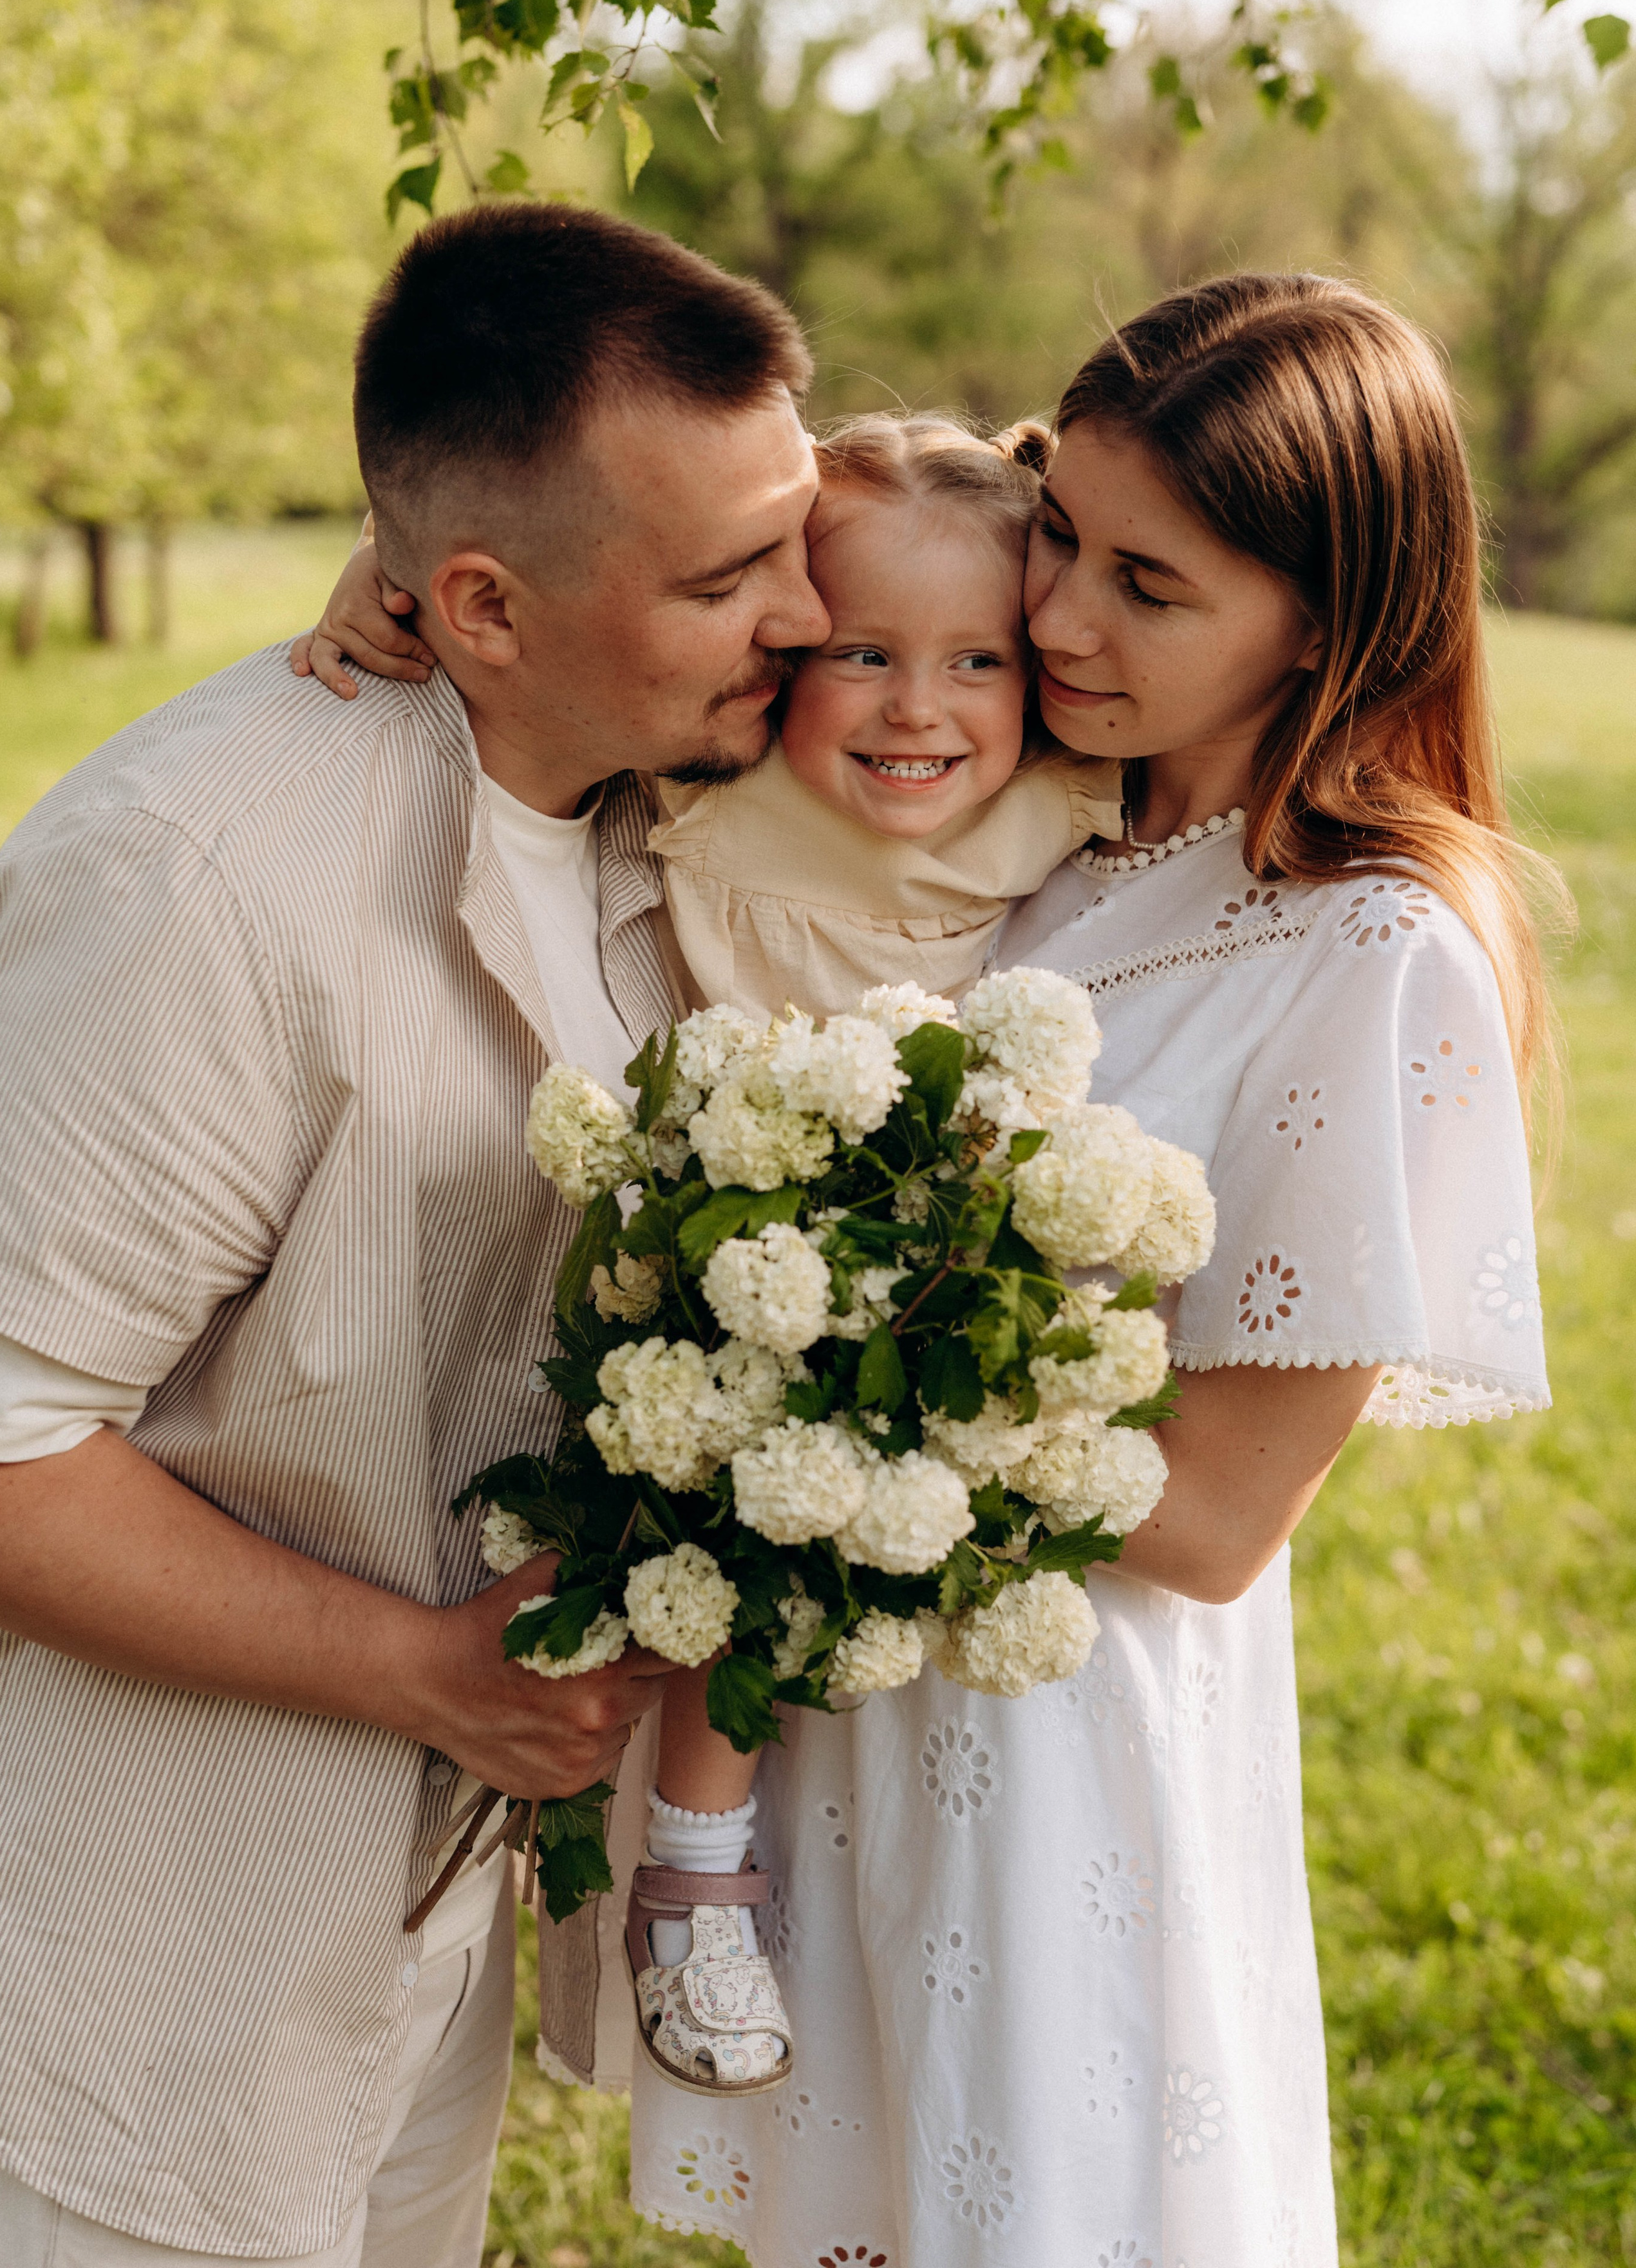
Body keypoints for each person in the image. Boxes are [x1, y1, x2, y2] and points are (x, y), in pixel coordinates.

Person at [619, 276, 1554, 2265]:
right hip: (873, 1705)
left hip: (1064, 1769)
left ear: (1330, 615)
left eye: (1150, 584)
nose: (1057, 622)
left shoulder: (1374, 955)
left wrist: (816, 1358)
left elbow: (1215, 1515)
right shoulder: (1067, 838)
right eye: (1068, 538)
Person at [0, 200, 831, 2267]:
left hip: (412, 1943)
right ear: (478, 603)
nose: (809, 610)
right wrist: (438, 1675)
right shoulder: (202, 886)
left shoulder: (674, 806)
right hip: (116, 1955)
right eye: (733, 576)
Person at [298, 407, 1123, 2095]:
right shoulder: (709, 788)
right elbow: (524, 591)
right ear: (785, 650)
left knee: (824, 1562)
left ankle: (713, 1862)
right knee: (697, 1566)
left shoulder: (1055, 802)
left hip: (909, 1260)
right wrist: (363, 579)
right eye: (866, 654)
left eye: (976, 659)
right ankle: (684, 1879)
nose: (920, 707)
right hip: (703, 1237)